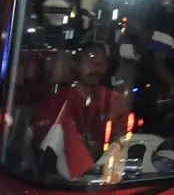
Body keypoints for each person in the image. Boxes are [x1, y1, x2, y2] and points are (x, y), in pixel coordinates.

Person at [30, 43, 128, 178]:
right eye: (91, 60)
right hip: (64, 178)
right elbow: (43, 145)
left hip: (104, 176)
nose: (97, 67)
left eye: (103, 62)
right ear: (75, 65)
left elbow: (124, 139)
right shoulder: (57, 100)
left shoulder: (114, 100)